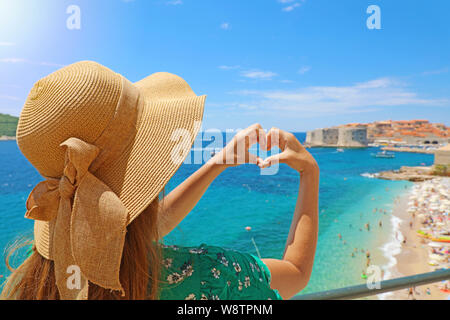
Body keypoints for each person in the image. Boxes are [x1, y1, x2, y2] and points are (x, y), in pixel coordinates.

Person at [0, 61, 319, 300]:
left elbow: (128, 230)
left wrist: (218, 163)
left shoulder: (31, 283)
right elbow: (296, 273)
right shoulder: (206, 275)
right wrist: (309, 173)